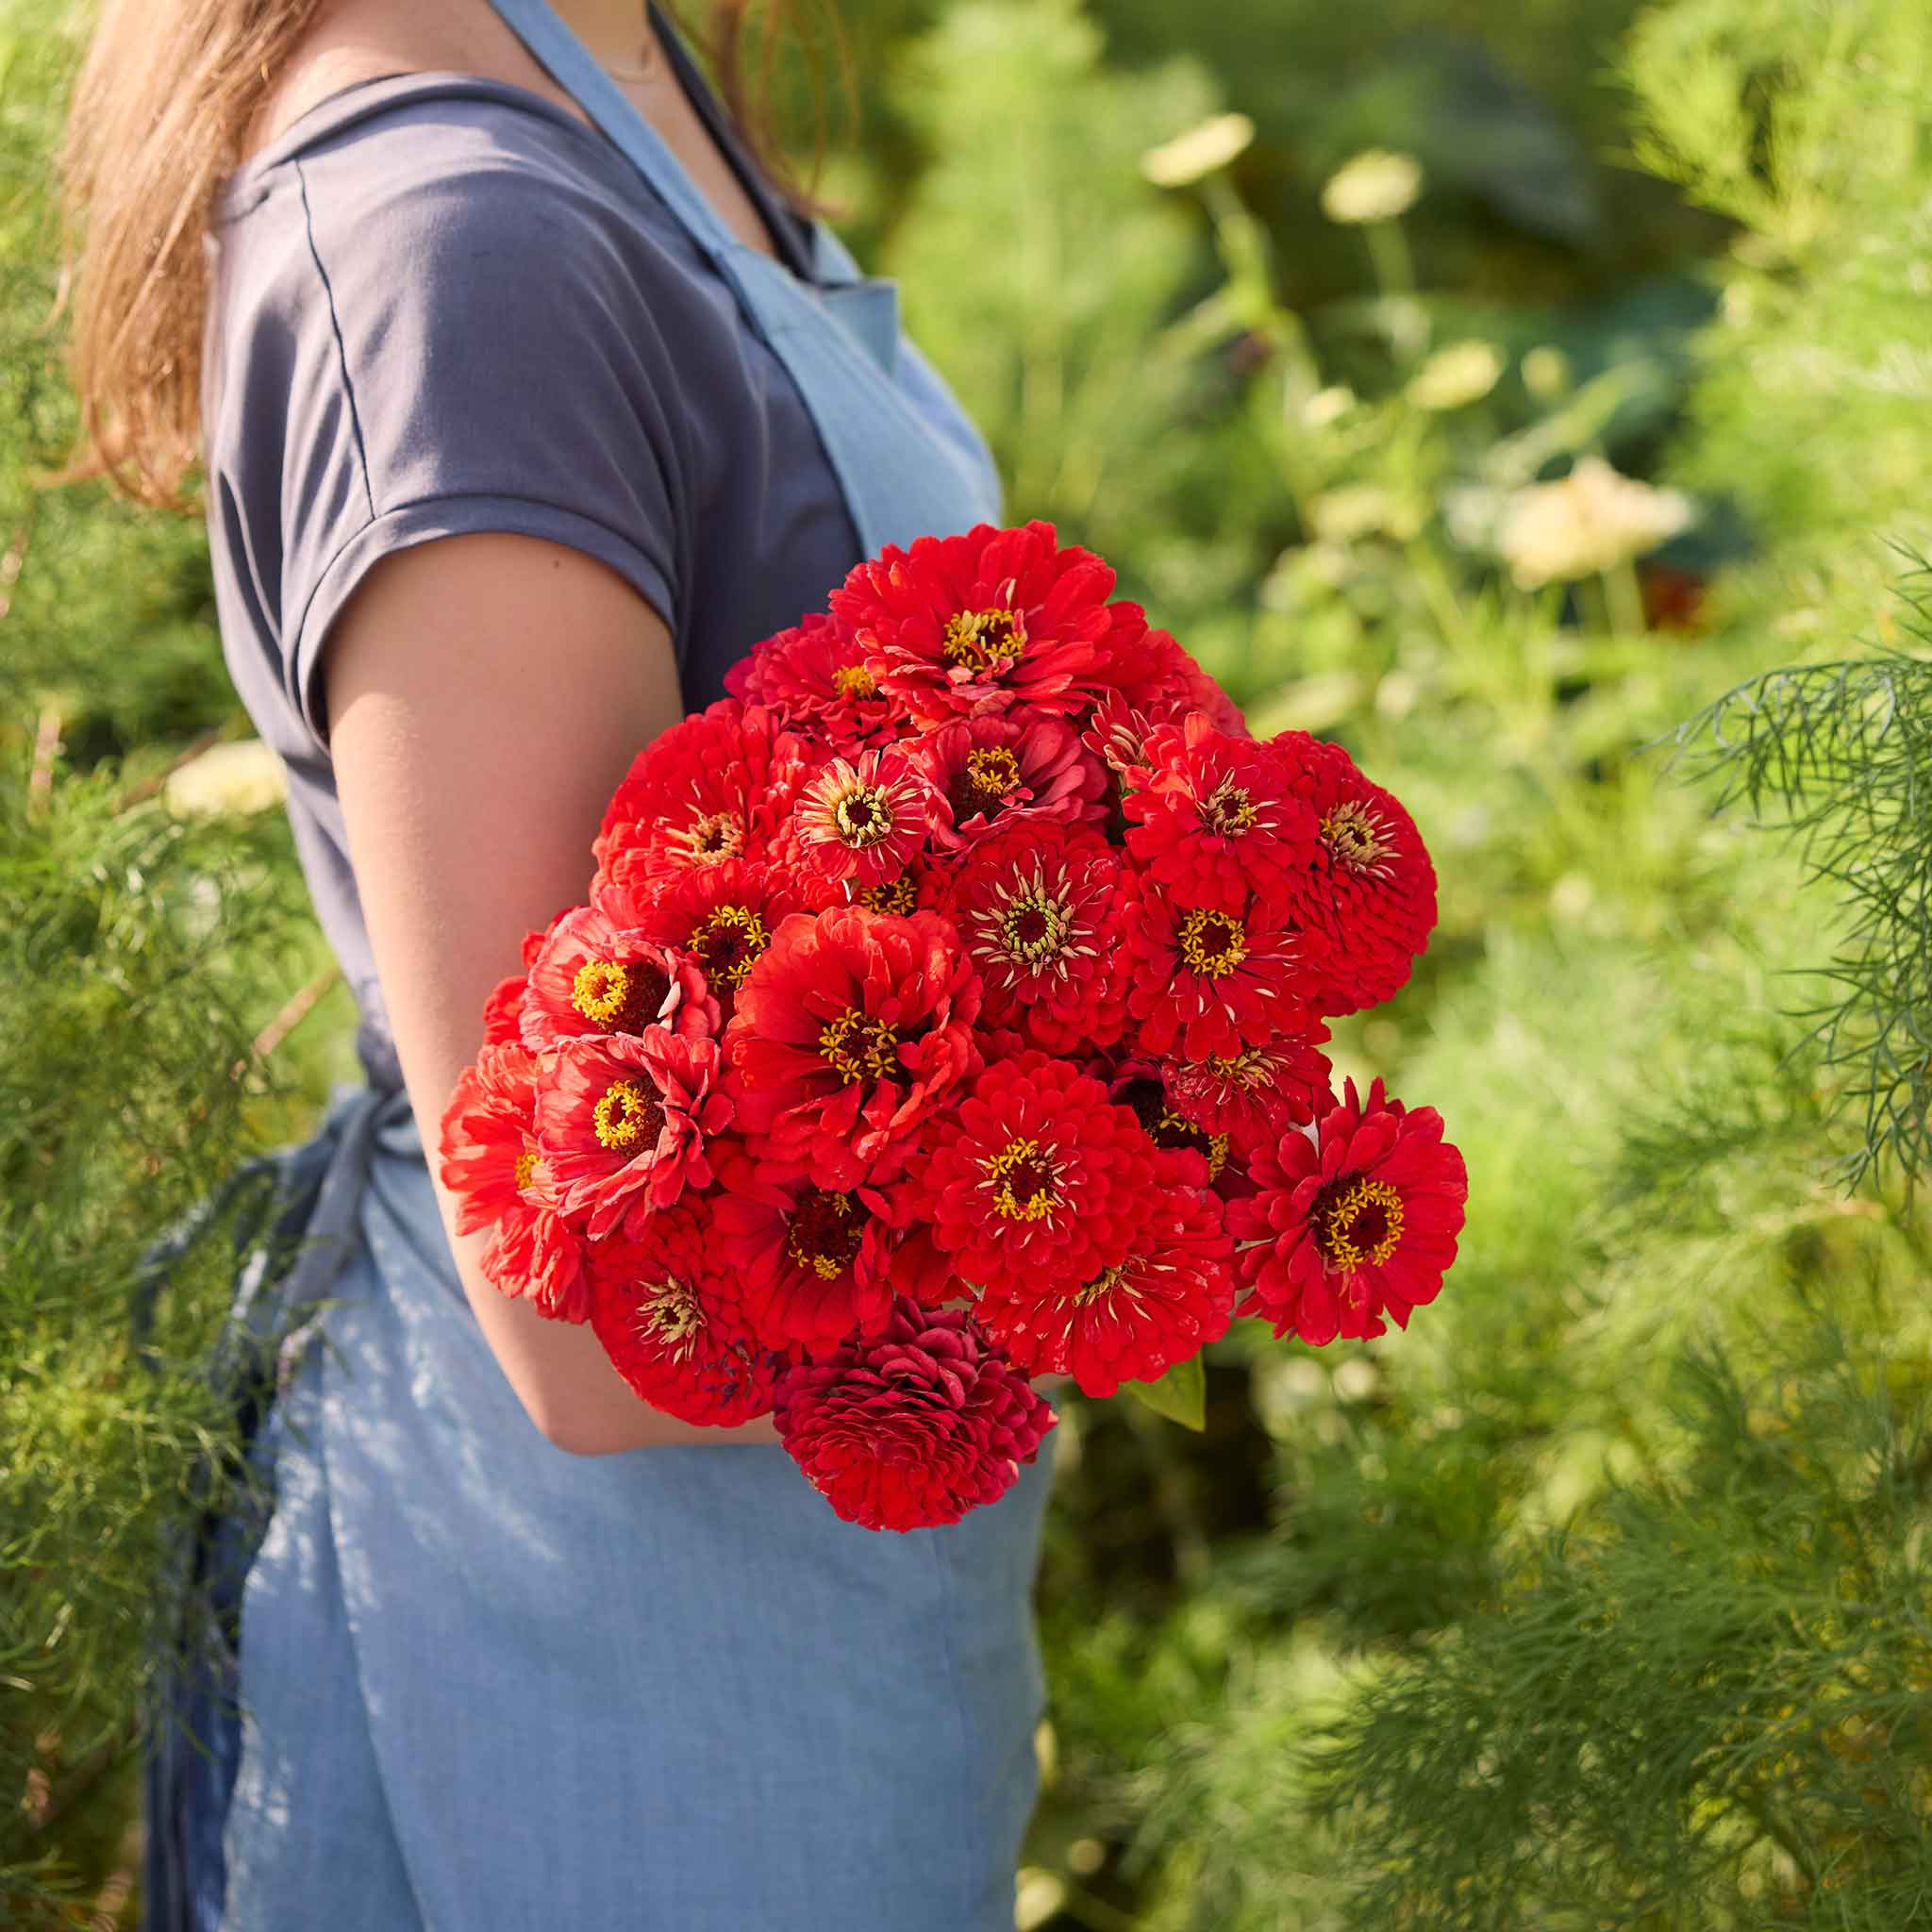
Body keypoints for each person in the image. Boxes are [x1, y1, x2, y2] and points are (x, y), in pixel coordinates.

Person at [58, 2, 1058, 1925]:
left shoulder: (614, 61)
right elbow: (601, 1304)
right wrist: (1134, 1164)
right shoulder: (455, 247)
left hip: (800, 1605)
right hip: (614, 1660)